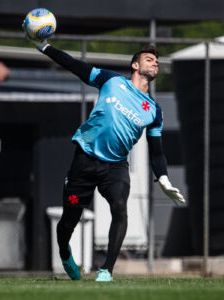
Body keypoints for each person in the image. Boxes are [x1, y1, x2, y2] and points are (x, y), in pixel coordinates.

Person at [25, 34, 186, 282]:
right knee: (69, 219)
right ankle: (65, 252)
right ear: (135, 65)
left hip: (116, 167)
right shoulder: (111, 81)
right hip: (85, 160)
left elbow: (156, 150)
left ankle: (106, 270)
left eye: (157, 61)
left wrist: (163, 178)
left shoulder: (154, 110)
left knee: (120, 208)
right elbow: (76, 66)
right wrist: (46, 48)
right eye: (149, 59)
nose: (155, 63)